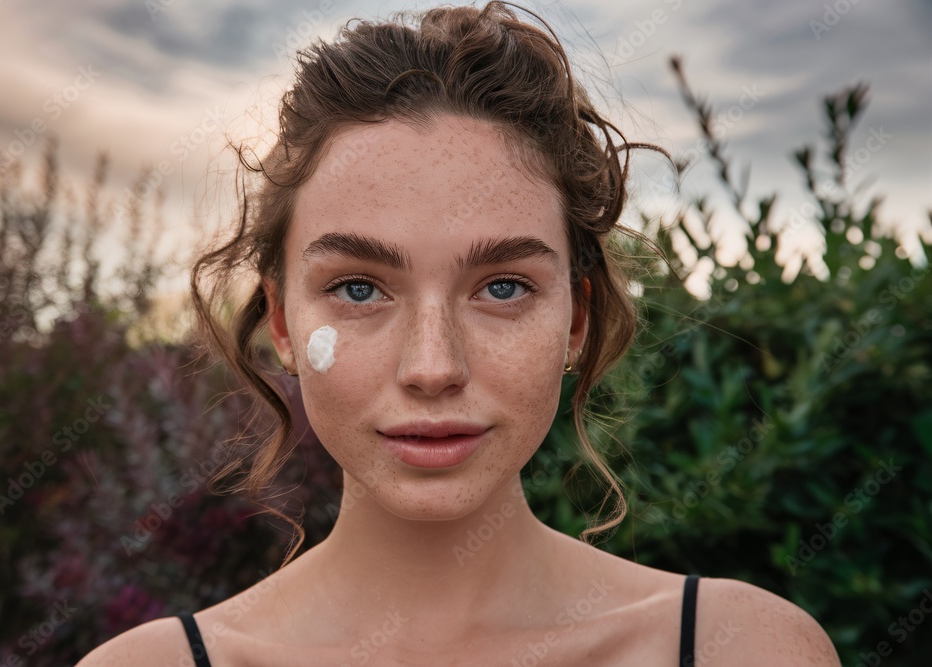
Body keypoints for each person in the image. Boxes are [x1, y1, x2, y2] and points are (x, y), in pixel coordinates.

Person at [79, 2, 841, 664]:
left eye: (502, 287)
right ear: (282, 321)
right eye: (358, 288)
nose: (433, 367)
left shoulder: (743, 649)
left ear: (575, 318)